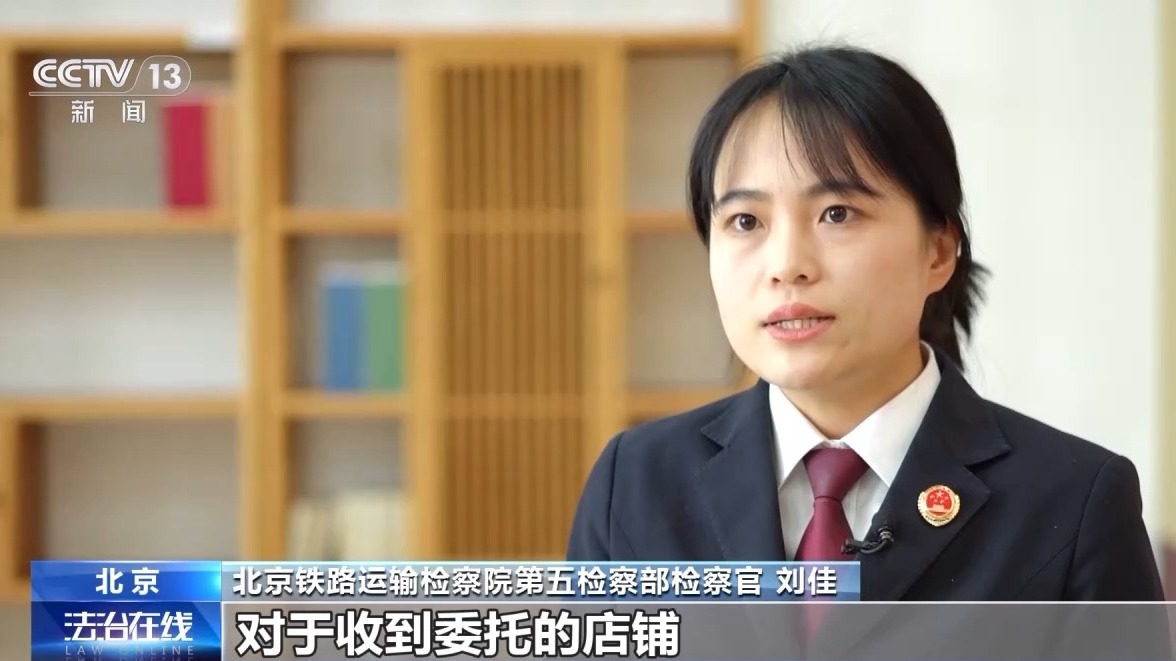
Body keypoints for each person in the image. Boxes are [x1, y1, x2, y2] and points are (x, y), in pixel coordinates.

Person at [566, 45, 1165, 608]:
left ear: (938, 251)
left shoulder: (1074, 503)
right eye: (746, 221)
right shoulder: (635, 483)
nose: (787, 266)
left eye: (837, 213)